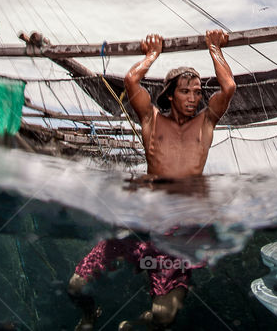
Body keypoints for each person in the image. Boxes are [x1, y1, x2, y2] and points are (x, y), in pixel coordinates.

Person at [68, 30, 235, 330]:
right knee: (76, 286)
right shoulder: (151, 120)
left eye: (198, 92)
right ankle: (88, 314)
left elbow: (229, 86)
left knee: (163, 318)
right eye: (186, 91)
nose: (194, 98)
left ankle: (137, 324)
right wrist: (151, 56)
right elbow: (132, 82)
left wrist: (214, 48)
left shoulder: (206, 121)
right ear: (170, 94)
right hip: (140, 221)